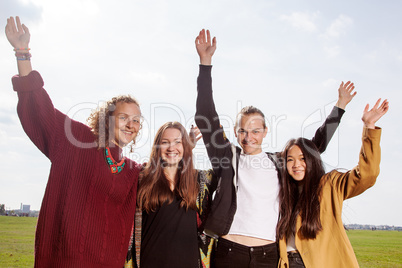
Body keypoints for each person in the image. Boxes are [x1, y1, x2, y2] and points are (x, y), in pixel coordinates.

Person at [194, 29, 356, 267]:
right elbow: (205, 115)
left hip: (269, 255)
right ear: (236, 133)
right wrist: (205, 64)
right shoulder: (227, 157)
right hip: (230, 252)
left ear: (265, 132)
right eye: (243, 131)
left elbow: (313, 146)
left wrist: (339, 108)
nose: (249, 137)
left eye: (255, 131)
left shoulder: (280, 162)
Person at [6, 16, 142, 267]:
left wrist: (183, 144)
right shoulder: (76, 140)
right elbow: (40, 109)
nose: (131, 124)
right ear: (107, 118)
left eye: (136, 120)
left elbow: (168, 181)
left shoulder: (133, 171)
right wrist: (22, 53)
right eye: (124, 117)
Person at [277, 99, 389, 268]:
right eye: (290, 160)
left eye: (302, 159)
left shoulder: (330, 184)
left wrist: (369, 126)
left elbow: (367, 175)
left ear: (312, 160)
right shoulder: (284, 192)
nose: (296, 165)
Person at [124, 122, 218, 268]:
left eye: (177, 142)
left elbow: (230, 171)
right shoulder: (142, 178)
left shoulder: (200, 181)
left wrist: (187, 147)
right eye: (165, 142)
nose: (171, 147)